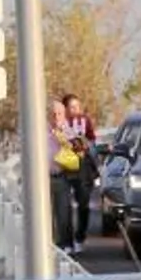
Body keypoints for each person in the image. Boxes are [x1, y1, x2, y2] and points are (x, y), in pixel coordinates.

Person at [61, 95, 100, 255]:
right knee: (64, 207)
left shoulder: (85, 121)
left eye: (78, 106)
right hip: (65, 166)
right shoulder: (60, 122)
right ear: (65, 109)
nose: (76, 110)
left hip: (83, 168)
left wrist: (84, 144)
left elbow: (92, 141)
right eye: (72, 107)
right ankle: (66, 241)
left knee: (83, 204)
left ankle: (80, 237)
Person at [49, 103, 80, 251]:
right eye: (53, 114)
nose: (56, 117)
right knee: (48, 214)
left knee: (63, 212)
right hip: (45, 178)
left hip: (62, 176)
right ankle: (52, 245)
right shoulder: (42, 132)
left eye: (59, 114)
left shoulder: (69, 132)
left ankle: (66, 244)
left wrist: (62, 136)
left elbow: (78, 150)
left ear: (64, 115)